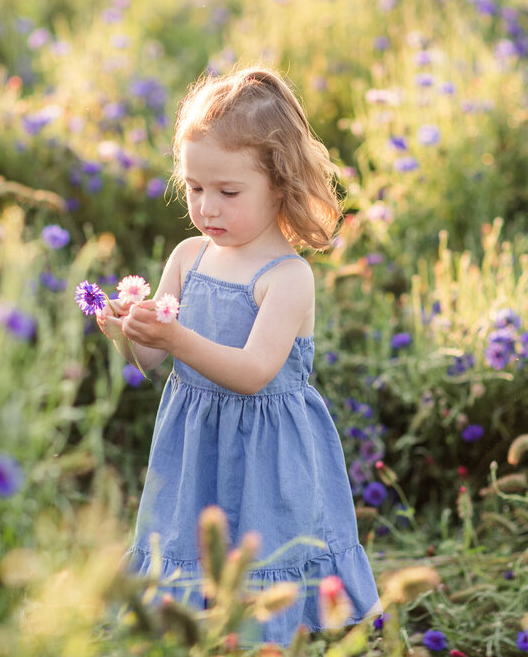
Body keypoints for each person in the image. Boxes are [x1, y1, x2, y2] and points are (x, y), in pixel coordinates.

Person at [97, 67, 380, 644]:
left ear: (280, 184)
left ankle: (266, 639)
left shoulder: (287, 277)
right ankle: (194, 631)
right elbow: (150, 365)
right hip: (194, 445)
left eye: (228, 192)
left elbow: (253, 374)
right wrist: (128, 333)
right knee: (189, 549)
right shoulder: (187, 256)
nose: (207, 208)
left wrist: (174, 339)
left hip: (267, 456)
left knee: (262, 557)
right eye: (195, 188)